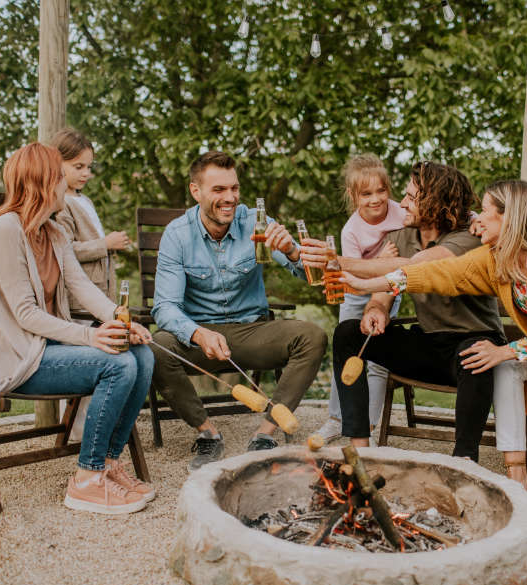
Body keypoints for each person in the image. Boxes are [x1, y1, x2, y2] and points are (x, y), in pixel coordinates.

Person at [343, 179, 527, 526]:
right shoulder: (495, 258)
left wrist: (507, 351)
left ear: (510, 217)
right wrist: (368, 285)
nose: (477, 218)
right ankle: (517, 474)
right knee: (504, 364)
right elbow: (438, 274)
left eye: (486, 210)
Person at [0, 143, 155, 515]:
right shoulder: (5, 230)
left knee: (143, 356)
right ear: (43, 183)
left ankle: (108, 464)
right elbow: (24, 314)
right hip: (17, 356)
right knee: (117, 364)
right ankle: (87, 479)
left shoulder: (52, 231)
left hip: (48, 347)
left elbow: (81, 287)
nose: (67, 185)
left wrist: (121, 320)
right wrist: (91, 336)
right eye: (60, 177)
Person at [301, 161, 506, 462]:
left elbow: (415, 266)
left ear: (434, 202)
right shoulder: (399, 237)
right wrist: (376, 309)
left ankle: (464, 459)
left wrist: (337, 262)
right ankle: (360, 448)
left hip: (475, 342)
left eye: (411, 197)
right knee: (348, 332)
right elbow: (387, 287)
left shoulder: (469, 237)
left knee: (472, 353)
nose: (403, 203)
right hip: (430, 344)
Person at [151, 151, 327, 469]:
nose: (229, 198)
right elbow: (164, 307)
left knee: (312, 336)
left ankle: (265, 433)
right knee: (158, 346)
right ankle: (207, 434)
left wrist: (290, 250)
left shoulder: (256, 221)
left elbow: (311, 276)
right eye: (219, 190)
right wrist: (196, 332)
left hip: (252, 330)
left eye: (234, 188)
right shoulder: (177, 235)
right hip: (200, 337)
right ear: (196, 191)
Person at [311, 154, 407, 446]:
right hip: (355, 293)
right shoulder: (351, 230)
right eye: (366, 194)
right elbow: (352, 270)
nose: (375, 199)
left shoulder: (401, 213)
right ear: (354, 196)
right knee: (348, 353)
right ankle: (336, 419)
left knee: (377, 358)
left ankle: (368, 422)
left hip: (388, 289)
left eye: (381, 191)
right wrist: (380, 261)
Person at [50, 127, 132, 442]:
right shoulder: (62, 205)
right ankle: (77, 433)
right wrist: (105, 244)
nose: (86, 173)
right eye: (78, 166)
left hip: (99, 295)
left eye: (89, 166)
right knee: (83, 361)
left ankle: (95, 427)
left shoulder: (84, 201)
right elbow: (65, 250)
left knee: (103, 359)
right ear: (58, 164)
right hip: (76, 300)